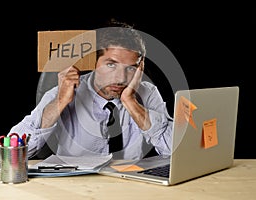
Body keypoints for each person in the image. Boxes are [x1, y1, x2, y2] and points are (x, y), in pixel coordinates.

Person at [9, 19, 173, 160]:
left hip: (128, 186)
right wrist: (60, 102)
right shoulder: (64, 92)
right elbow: (13, 153)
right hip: (76, 187)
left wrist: (130, 102)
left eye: (130, 68)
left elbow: (173, 150)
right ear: (95, 63)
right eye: (111, 65)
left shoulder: (147, 93)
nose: (121, 78)